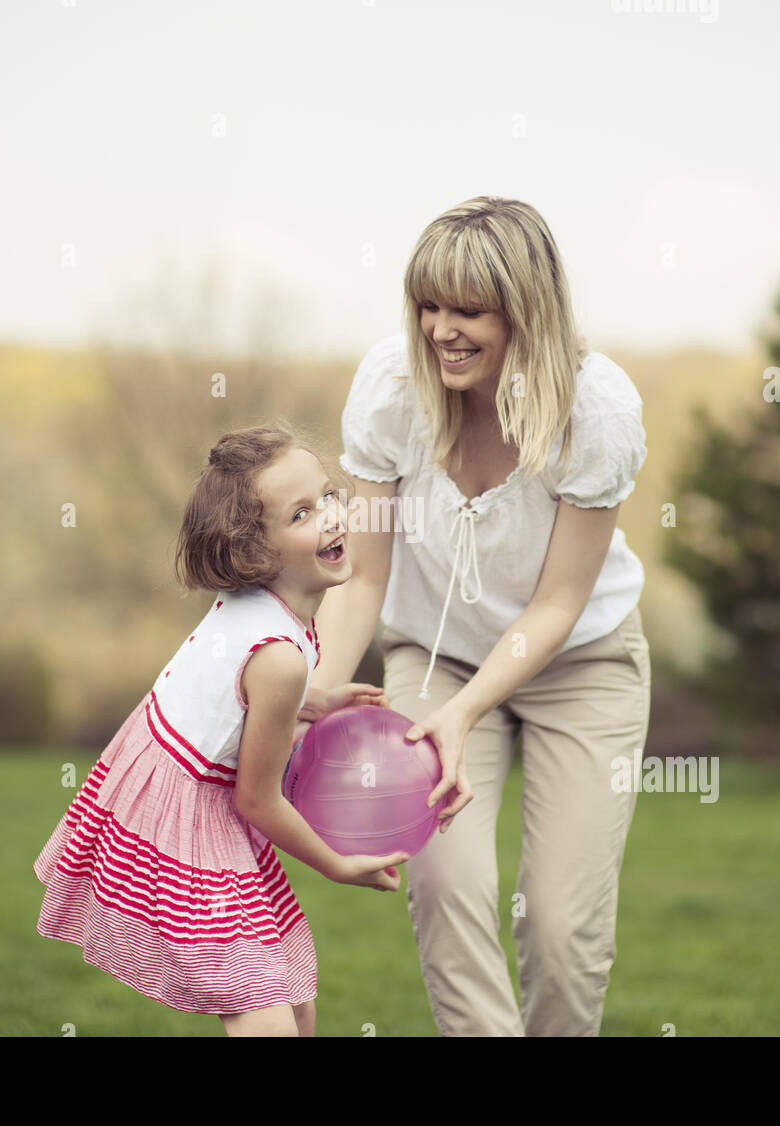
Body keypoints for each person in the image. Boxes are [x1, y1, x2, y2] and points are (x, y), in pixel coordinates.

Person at [301, 196, 653, 1036]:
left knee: (562, 928)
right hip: (436, 657)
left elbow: (561, 600)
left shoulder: (594, 411)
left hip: (582, 664)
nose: (440, 330)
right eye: (428, 304)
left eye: (468, 310)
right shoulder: (392, 391)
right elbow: (363, 576)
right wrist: (318, 683)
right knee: (447, 891)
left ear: (526, 310)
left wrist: (466, 716)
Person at [32, 424, 409, 1037]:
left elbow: (225, 694)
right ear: (256, 551)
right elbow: (258, 799)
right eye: (303, 513)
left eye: (330, 496)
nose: (334, 517)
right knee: (267, 1018)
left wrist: (311, 703)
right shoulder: (280, 656)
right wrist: (337, 863)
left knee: (296, 1003)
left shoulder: (264, 612)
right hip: (185, 829)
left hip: (188, 795)